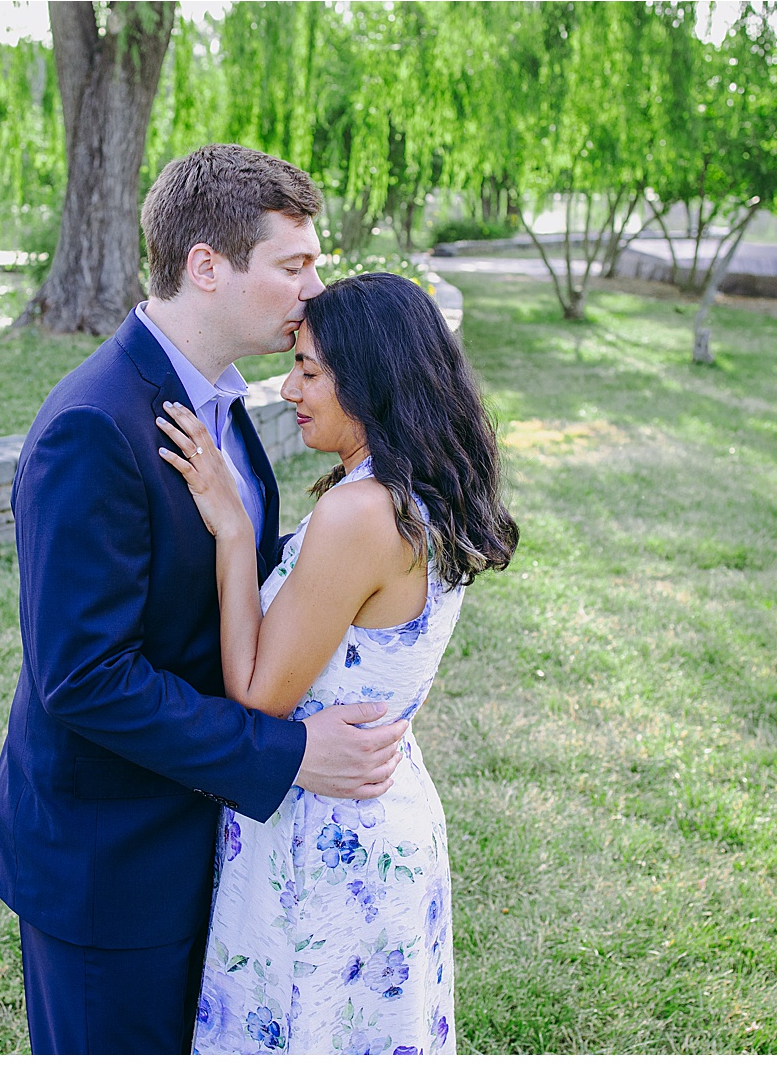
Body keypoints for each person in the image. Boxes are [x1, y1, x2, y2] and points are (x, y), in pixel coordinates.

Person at [0, 145, 413, 1055]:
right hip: (113, 862)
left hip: (205, 841)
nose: (312, 290)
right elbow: (85, 678)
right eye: (293, 265)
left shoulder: (223, 404)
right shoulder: (92, 427)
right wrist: (287, 752)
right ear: (207, 266)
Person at [156, 271, 520, 1054]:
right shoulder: (422, 491)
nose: (289, 387)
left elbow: (256, 694)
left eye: (311, 371)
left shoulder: (360, 511)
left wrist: (231, 533)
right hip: (383, 815)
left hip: (322, 839)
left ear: (374, 382)